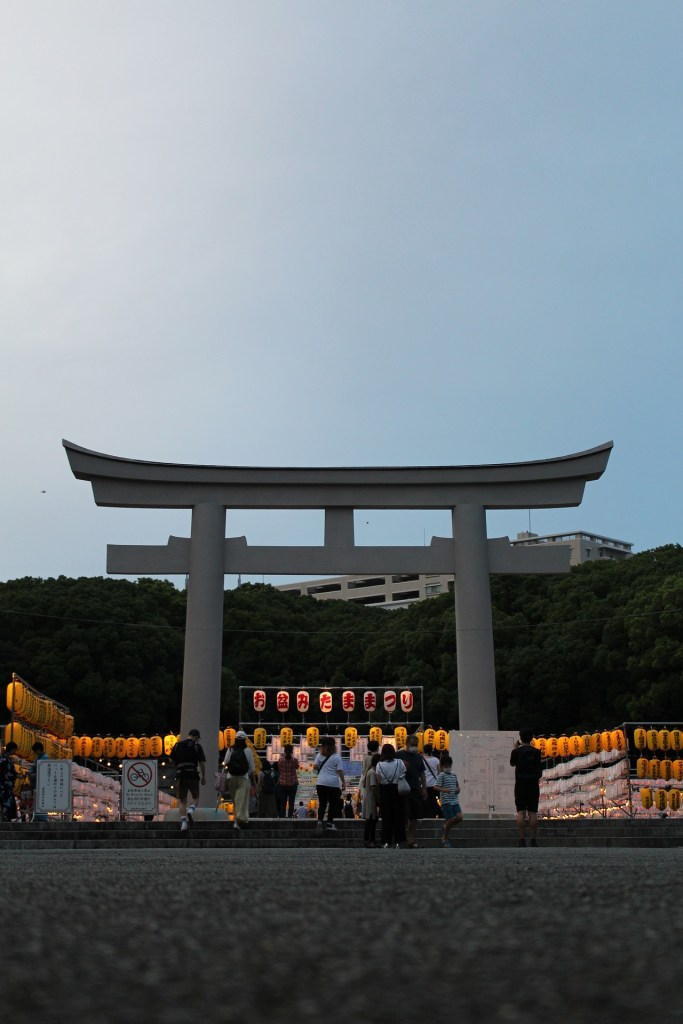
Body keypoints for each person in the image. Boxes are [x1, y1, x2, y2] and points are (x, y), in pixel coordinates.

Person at [510, 728, 542, 847]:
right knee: (533, 812)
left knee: (521, 812)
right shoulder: (537, 752)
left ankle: (522, 839)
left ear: (520, 738)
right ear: (532, 738)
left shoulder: (516, 752)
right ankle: (533, 839)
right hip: (533, 784)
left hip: (520, 784)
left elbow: (512, 763)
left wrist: (515, 748)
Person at [170, 728, 206, 833]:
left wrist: (177, 767)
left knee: (182, 800)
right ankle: (191, 810)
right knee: (196, 797)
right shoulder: (197, 746)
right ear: (195, 737)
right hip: (193, 774)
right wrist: (204, 777)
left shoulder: (177, 745)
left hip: (181, 775)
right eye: (198, 738)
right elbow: (202, 762)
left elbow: (171, 759)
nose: (197, 740)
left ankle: (184, 824)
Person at [398, 734, 428, 848]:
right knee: (404, 815)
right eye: (412, 745)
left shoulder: (419, 757)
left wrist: (424, 788)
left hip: (415, 788)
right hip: (402, 789)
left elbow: (422, 773)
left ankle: (411, 838)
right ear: (407, 744)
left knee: (415, 816)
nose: (414, 747)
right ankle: (403, 837)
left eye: (416, 745)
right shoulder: (399, 755)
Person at [376, 743, 407, 848]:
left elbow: (379, 780)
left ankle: (386, 841)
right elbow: (404, 773)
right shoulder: (399, 762)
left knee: (386, 817)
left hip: (385, 791)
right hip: (397, 790)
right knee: (399, 816)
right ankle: (399, 841)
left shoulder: (379, 764)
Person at [223, 730, 256, 830]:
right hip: (243, 777)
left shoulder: (230, 749)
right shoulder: (248, 751)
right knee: (241, 800)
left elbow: (225, 762)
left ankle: (240, 820)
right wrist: (253, 780)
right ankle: (238, 821)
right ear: (245, 740)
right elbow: (252, 768)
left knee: (235, 800)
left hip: (231, 777)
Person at [313, 736, 345, 831]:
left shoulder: (319, 755)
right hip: (333, 784)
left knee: (322, 804)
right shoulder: (337, 756)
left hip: (321, 783)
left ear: (322, 746)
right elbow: (339, 771)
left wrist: (322, 772)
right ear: (333, 746)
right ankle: (329, 824)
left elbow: (314, 767)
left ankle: (319, 821)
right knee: (332, 804)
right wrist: (343, 782)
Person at [434, 755, 463, 847]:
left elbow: (457, 785)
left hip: (454, 800)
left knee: (460, 817)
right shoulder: (441, 775)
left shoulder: (454, 775)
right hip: (446, 801)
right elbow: (435, 787)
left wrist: (458, 789)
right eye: (446, 766)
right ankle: (445, 838)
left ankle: (446, 826)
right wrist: (443, 790)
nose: (448, 768)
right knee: (450, 819)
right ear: (442, 767)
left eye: (449, 766)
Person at [362, 752, 380, 847]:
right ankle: (370, 840)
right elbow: (373, 787)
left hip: (369, 799)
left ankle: (369, 840)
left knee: (371, 821)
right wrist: (378, 798)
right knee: (371, 821)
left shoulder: (369, 771)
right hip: (372, 800)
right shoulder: (373, 772)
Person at [276, 743, 300, 818]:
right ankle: (290, 817)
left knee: (283, 802)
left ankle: (282, 817)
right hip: (293, 784)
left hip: (283, 784)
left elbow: (279, 769)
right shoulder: (295, 760)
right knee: (291, 802)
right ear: (292, 751)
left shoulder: (280, 760)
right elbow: (297, 767)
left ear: (284, 751)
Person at [421, 743, 443, 818]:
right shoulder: (436, 760)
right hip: (434, 784)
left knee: (426, 802)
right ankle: (437, 814)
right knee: (434, 801)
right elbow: (439, 772)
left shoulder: (421, 760)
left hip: (424, 784)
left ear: (424, 750)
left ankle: (428, 816)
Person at [0, 741, 20, 822]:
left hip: (4, 785)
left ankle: (5, 818)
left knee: (5, 803)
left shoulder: (4, 759)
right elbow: (10, 773)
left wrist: (16, 775)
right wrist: (15, 776)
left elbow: (12, 772)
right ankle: (6, 819)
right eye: (14, 750)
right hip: (5, 785)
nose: (15, 752)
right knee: (6, 803)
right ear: (11, 749)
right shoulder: (6, 760)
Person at [29, 741, 48, 822]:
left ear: (39, 750)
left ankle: (42, 818)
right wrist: (30, 771)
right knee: (36, 799)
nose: (35, 753)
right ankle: (36, 816)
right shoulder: (37, 757)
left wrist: (34, 774)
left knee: (42, 799)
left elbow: (43, 771)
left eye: (35, 751)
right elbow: (33, 767)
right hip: (36, 782)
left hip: (42, 782)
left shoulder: (44, 757)